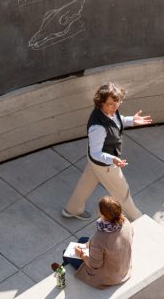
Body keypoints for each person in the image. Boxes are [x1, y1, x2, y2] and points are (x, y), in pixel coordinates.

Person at [62, 82, 151, 222]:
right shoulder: (97, 127)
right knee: (123, 192)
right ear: (101, 103)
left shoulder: (109, 112)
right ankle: (138, 219)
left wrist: (131, 120)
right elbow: (96, 153)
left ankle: (72, 209)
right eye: (111, 104)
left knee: (87, 182)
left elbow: (116, 121)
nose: (115, 106)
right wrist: (112, 160)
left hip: (97, 160)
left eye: (118, 102)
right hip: (104, 163)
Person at [61, 195, 135, 288]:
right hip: (123, 268)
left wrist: (81, 254)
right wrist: (89, 245)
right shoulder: (126, 222)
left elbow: (94, 265)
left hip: (110, 277)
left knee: (66, 252)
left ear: (103, 214)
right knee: (82, 240)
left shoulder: (100, 238)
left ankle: (64, 271)